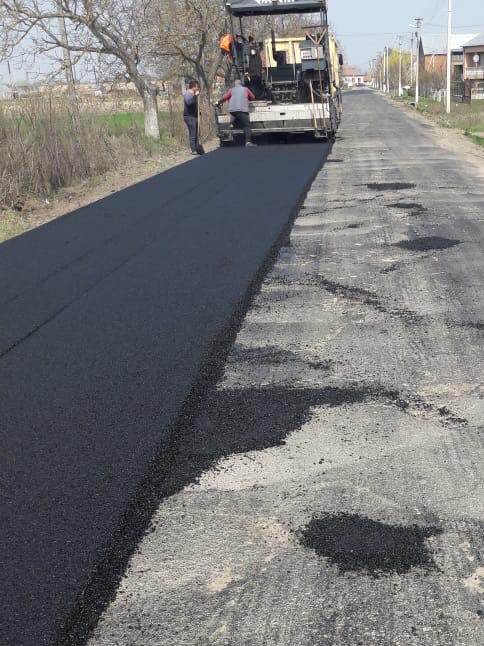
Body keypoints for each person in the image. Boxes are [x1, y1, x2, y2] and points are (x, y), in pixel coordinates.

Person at [218, 79, 256, 147]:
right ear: (241, 84)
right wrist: (248, 98)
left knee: (237, 119)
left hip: (233, 111)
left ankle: (232, 125)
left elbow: (225, 97)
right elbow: (253, 97)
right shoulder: (246, 89)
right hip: (242, 110)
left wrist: (219, 102)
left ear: (235, 85)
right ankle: (248, 142)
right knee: (247, 125)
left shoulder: (231, 90)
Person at [183, 80, 201, 155]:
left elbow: (193, 105)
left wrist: (198, 111)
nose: (197, 88)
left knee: (196, 133)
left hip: (194, 116)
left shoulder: (192, 94)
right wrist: (195, 96)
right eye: (197, 87)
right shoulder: (188, 93)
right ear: (193, 87)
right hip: (189, 117)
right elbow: (189, 102)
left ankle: (196, 148)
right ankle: (193, 150)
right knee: (193, 133)